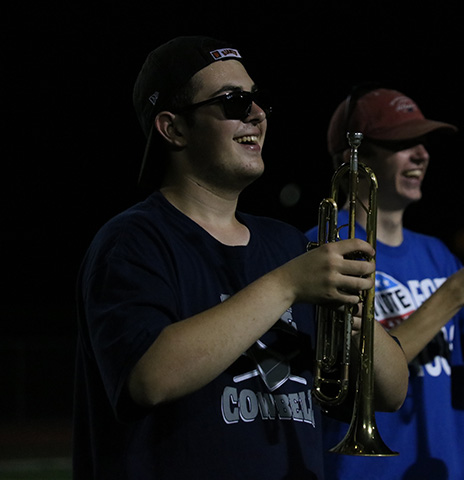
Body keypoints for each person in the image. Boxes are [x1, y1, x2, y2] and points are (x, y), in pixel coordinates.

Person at [72, 36, 408, 480]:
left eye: (259, 100)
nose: (257, 114)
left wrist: (354, 313)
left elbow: (391, 391)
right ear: (173, 129)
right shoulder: (132, 241)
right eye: (233, 102)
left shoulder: (287, 244)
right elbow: (149, 377)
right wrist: (287, 285)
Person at [306, 86, 464, 480]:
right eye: (402, 142)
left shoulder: (438, 255)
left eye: (423, 142)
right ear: (354, 157)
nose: (422, 154)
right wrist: (459, 290)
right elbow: (354, 384)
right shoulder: (322, 250)